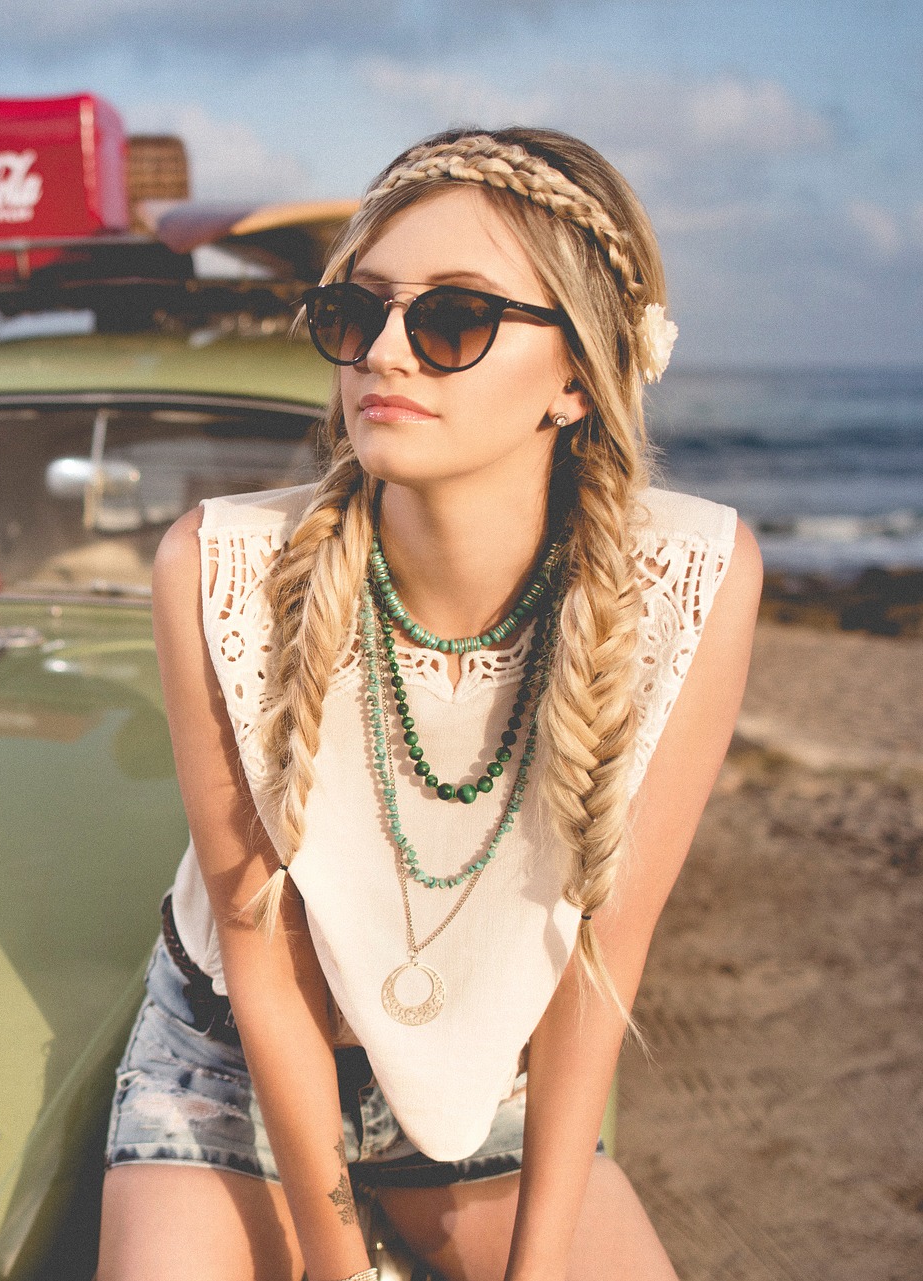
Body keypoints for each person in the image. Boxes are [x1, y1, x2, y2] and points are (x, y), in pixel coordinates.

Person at [95, 126, 762, 1281]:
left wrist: (537, 1267)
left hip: (483, 1070)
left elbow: (609, 959)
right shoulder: (219, 568)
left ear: (575, 377)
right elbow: (265, 958)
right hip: (234, 1060)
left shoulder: (694, 578)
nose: (386, 353)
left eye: (453, 319)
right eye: (358, 314)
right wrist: (339, 1264)